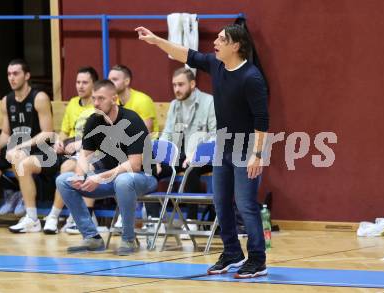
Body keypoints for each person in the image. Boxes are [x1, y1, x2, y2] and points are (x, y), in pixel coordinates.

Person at [136, 24, 269, 279]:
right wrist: (156, 40)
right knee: (221, 202)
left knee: (246, 205)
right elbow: (185, 53)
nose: (215, 42)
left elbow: (262, 119)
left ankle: (257, 259)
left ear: (236, 46)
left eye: (221, 39)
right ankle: (232, 252)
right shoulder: (216, 65)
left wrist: (258, 154)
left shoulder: (252, 77)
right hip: (223, 145)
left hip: (247, 146)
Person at [56, 79, 158, 255]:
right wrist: (80, 176)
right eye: (94, 98)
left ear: (114, 98)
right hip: (112, 177)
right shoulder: (93, 121)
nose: (96, 103)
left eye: (101, 98)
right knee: (64, 180)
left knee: (123, 180)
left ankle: (128, 239)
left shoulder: (131, 120)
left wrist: (99, 177)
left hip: (143, 177)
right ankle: (92, 238)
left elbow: (134, 165)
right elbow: (84, 155)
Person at [0, 59, 55, 233]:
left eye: (16, 73)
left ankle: (31, 218)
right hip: (13, 147)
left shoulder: (39, 98)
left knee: (17, 156)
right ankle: (13, 189)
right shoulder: (6, 100)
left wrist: (20, 147)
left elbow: (47, 133)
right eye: (9, 74)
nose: (11, 77)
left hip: (37, 148)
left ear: (27, 75)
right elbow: (6, 133)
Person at [147, 67, 216, 235]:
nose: (177, 89)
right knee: (150, 166)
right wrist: (156, 156)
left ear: (192, 84)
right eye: (174, 85)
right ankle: (154, 219)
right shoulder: (174, 105)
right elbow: (167, 135)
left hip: (207, 154)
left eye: (181, 84)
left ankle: (192, 221)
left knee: (191, 169)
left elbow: (216, 135)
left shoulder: (209, 102)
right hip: (181, 153)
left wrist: (197, 153)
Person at [43, 66, 99, 234]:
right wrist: (59, 141)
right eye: (77, 82)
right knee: (64, 168)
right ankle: (55, 216)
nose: (80, 86)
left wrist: (81, 143)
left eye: (85, 82)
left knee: (72, 169)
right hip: (71, 150)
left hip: (93, 151)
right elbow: (64, 131)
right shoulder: (73, 104)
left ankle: (67, 215)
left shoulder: (100, 104)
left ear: (94, 84)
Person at [108, 64, 159, 134]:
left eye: (114, 79)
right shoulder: (113, 102)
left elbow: (146, 132)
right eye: (109, 80)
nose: (110, 83)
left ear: (127, 81)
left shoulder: (142, 100)